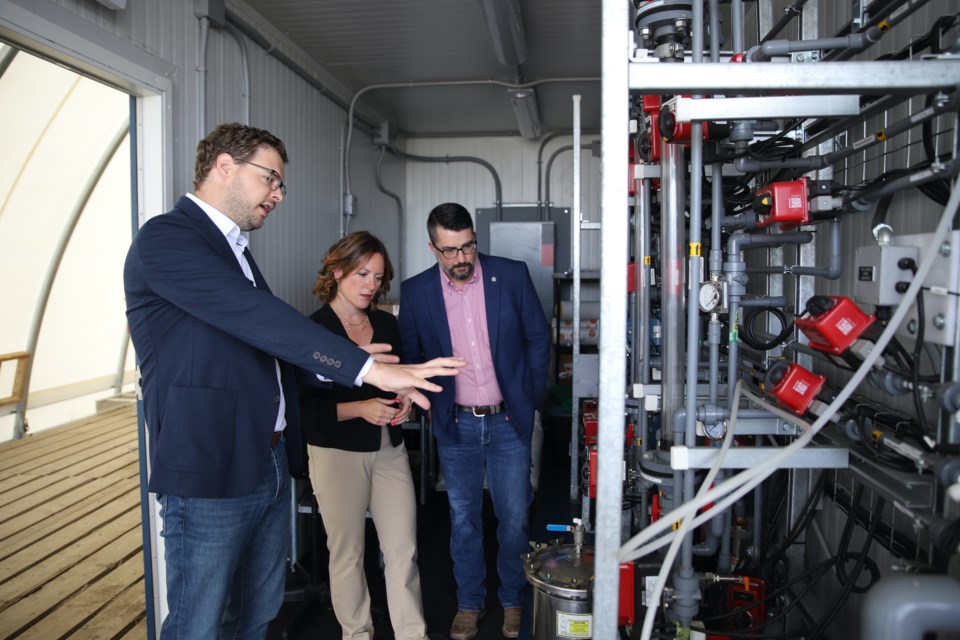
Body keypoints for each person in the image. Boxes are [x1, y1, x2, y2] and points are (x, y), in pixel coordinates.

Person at [123, 123, 461, 639]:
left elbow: (259, 351)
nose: (278, 194)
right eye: (271, 179)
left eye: (280, 184)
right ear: (225, 167)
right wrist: (365, 367)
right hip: (210, 466)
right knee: (199, 623)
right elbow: (254, 317)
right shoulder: (168, 238)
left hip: (267, 461)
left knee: (256, 614)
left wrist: (346, 361)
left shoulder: (233, 249)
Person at [398, 202, 551, 640]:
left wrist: (531, 397)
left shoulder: (512, 274)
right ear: (433, 248)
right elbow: (411, 359)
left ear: (475, 241)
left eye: (467, 247)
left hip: (509, 421)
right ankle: (469, 603)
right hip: (456, 423)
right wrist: (428, 406)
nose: (461, 258)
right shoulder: (416, 292)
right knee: (463, 518)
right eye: (449, 251)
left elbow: (538, 338)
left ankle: (513, 601)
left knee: (516, 516)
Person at [299, 231, 429, 640]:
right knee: (348, 555)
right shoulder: (314, 330)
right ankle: (357, 634)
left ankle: (413, 635)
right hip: (336, 453)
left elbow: (398, 378)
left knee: (403, 550)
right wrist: (360, 408)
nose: (371, 285)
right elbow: (304, 411)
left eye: (378, 276)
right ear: (337, 272)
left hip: (388, 449)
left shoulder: (386, 322)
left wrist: (405, 397)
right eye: (362, 274)